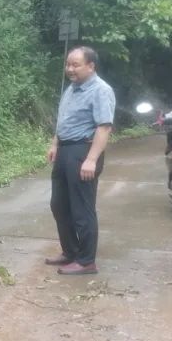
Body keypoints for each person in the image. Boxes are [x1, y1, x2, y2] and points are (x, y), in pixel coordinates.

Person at [46, 46, 115, 275]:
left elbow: (104, 127)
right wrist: (55, 144)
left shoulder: (100, 90)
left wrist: (91, 159)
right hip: (65, 150)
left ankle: (86, 261)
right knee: (59, 204)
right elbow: (63, 120)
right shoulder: (72, 88)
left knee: (81, 209)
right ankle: (70, 252)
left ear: (91, 66)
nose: (70, 69)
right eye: (68, 64)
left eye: (75, 65)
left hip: (83, 151)